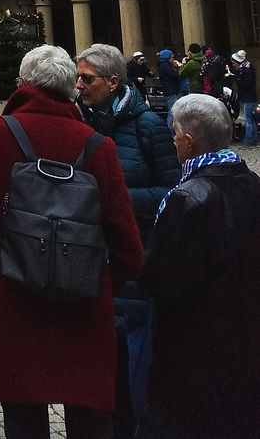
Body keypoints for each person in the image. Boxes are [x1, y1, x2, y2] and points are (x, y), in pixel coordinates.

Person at [0, 45, 143, 439]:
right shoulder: (99, 146)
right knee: (90, 421)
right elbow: (127, 243)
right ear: (70, 88)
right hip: (84, 308)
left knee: (23, 420)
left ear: (22, 85)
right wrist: (98, 283)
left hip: (14, 301)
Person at [137, 94, 260, 439]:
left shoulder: (187, 198)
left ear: (188, 143)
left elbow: (163, 280)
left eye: (174, 133)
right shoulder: (251, 183)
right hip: (242, 350)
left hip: (194, 358)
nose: (173, 139)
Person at [76, 44, 180, 438]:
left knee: (129, 368)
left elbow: (170, 192)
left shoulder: (148, 126)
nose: (79, 85)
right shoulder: (78, 120)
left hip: (131, 263)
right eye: (78, 77)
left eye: (88, 79)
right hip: (85, 263)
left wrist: (114, 200)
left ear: (114, 82)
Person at [227, 49, 257, 145]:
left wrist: (236, 77)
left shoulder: (247, 70)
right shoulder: (244, 69)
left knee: (247, 119)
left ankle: (248, 140)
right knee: (250, 119)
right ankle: (254, 138)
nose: (233, 65)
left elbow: (245, 84)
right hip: (248, 97)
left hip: (249, 97)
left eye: (234, 63)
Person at [154, 50, 183, 126]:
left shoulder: (164, 65)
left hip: (169, 90)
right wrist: (178, 69)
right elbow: (174, 75)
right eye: (172, 57)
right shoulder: (165, 66)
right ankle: (170, 127)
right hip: (170, 90)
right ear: (168, 57)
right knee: (172, 111)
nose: (173, 59)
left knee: (172, 110)